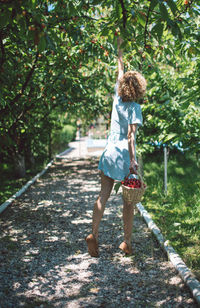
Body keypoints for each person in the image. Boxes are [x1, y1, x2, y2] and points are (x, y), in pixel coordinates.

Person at [85, 37, 147, 257]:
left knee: (103, 195)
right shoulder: (134, 108)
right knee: (128, 202)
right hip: (123, 156)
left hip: (108, 153)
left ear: (123, 86)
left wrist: (120, 47)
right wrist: (132, 161)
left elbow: (119, 70)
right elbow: (131, 136)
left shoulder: (116, 99)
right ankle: (127, 242)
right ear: (139, 88)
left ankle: (93, 234)